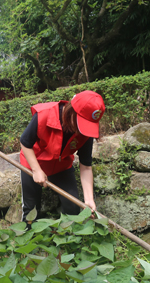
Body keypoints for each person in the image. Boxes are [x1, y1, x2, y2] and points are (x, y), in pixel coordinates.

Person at [19, 90, 106, 221]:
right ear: (72, 110)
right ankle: (29, 237)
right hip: (34, 163)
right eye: (82, 122)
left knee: (73, 207)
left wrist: (89, 199)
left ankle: (66, 239)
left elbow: (86, 166)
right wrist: (36, 170)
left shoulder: (86, 131)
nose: (81, 129)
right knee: (31, 211)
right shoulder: (44, 115)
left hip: (62, 167)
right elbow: (25, 143)